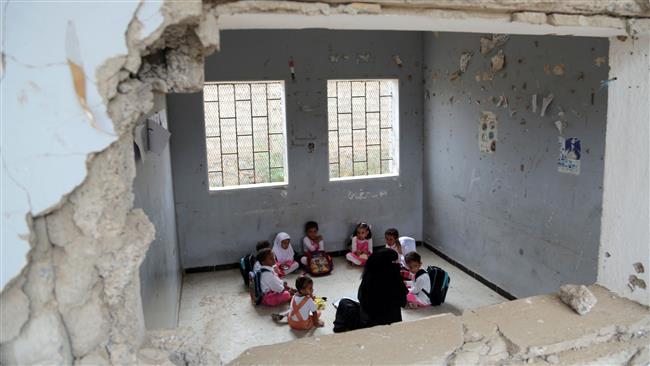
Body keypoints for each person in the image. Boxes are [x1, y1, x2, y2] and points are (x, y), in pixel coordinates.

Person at [357, 248, 407, 326]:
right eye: (396, 261)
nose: (398, 264)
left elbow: (361, 297)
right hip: (392, 321)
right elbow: (403, 301)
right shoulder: (394, 279)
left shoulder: (369, 276)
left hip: (370, 322)